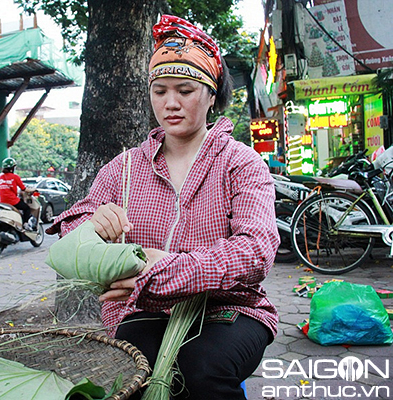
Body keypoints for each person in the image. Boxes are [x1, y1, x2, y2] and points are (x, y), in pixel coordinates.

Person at [47, 15, 279, 399]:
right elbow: (72, 226)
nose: (170, 103)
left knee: (203, 371)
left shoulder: (240, 162)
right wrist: (91, 223)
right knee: (135, 373)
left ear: (211, 94)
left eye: (185, 90)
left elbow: (255, 250)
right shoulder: (124, 168)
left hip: (228, 307)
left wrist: (164, 270)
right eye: (160, 91)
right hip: (140, 308)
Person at [0, 157, 36, 230]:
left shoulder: (0, 177)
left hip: (2, 202)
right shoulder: (15, 177)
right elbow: (24, 189)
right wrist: (33, 189)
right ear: (12, 168)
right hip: (12, 201)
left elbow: (2, 189)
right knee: (26, 208)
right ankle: (25, 224)